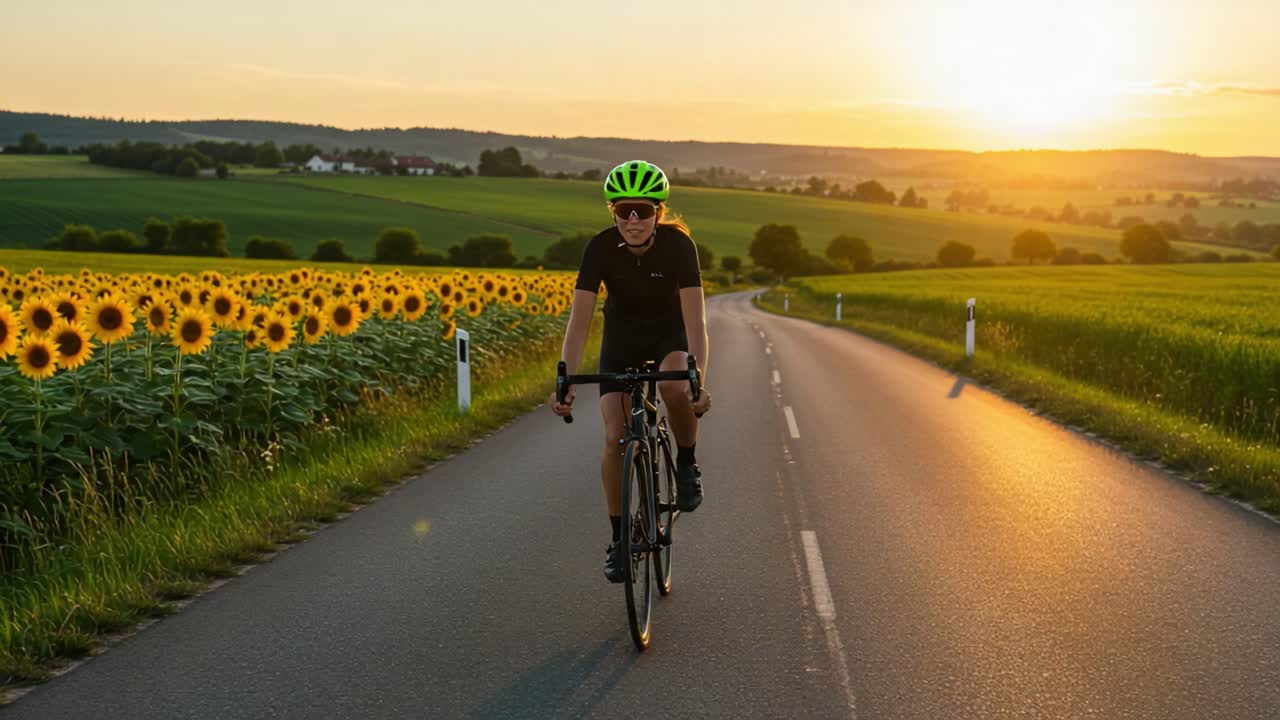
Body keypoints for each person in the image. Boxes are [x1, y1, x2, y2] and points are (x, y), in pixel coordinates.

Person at [548, 159, 713, 583]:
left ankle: (687, 463)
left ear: (658, 211)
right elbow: (579, 321)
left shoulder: (679, 247)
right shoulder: (600, 248)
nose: (633, 219)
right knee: (613, 434)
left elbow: (695, 323)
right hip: (621, 337)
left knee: (675, 390)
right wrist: (564, 379)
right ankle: (620, 540)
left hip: (668, 334)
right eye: (624, 210)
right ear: (613, 213)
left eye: (642, 209)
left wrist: (699, 381)